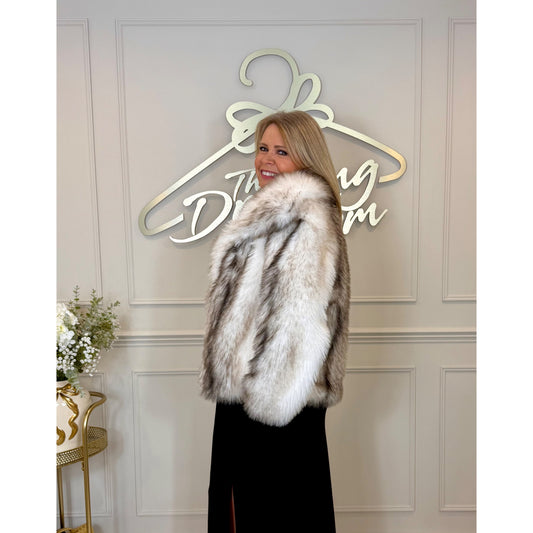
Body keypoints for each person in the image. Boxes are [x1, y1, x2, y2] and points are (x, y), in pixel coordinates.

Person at [200, 110, 350, 533]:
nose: (267, 159)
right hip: (253, 390)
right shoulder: (276, 214)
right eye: (263, 148)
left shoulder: (303, 218)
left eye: (282, 151)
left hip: (272, 399)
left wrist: (263, 401)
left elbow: (297, 320)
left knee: (270, 511)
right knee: (269, 508)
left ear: (305, 157)